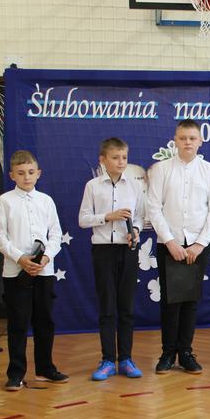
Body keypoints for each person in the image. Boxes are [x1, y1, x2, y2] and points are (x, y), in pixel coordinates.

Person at [146, 119, 210, 374]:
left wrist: (200, 244)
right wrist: (170, 241)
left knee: (190, 300)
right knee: (170, 301)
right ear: (175, 141)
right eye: (183, 138)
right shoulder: (161, 170)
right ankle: (168, 353)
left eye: (192, 138)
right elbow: (153, 207)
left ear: (200, 141)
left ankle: (186, 353)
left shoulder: (209, 171)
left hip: (197, 246)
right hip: (169, 244)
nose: (187, 142)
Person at [0, 150, 68, 391]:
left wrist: (46, 257)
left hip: (44, 271)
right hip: (16, 272)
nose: (26, 177)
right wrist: (20, 258)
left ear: (38, 174)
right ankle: (16, 373)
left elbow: (55, 234)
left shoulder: (46, 201)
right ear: (12, 175)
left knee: (44, 320)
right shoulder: (5, 201)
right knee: (18, 322)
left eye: (31, 172)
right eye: (21, 173)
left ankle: (45, 368)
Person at [79, 138, 145, 381]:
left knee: (126, 306)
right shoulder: (92, 186)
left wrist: (135, 230)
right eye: (115, 158)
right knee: (107, 306)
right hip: (103, 251)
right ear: (102, 160)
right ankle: (107, 360)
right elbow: (83, 219)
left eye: (124, 158)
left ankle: (126, 359)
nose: (121, 162)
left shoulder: (135, 186)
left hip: (128, 250)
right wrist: (108, 216)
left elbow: (140, 217)